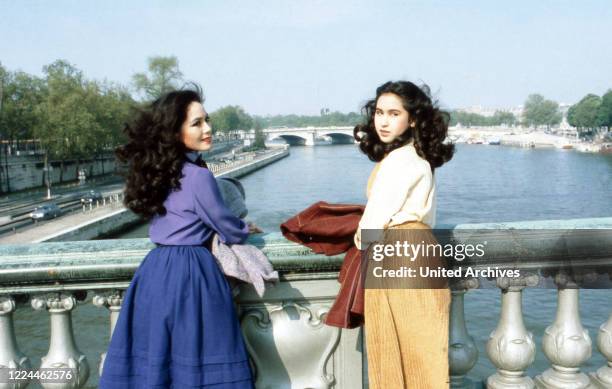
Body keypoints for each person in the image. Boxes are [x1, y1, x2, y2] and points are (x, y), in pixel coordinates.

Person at [99, 87, 256, 388]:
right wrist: (244, 227)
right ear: (175, 131)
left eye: (206, 120)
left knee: (156, 361)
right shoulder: (199, 176)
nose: (208, 128)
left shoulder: (157, 172)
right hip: (192, 273)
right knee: (198, 358)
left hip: (153, 273)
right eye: (197, 123)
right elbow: (227, 227)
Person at [353, 81, 454, 388]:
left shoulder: (398, 160)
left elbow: (369, 230)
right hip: (423, 251)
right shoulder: (421, 158)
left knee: (392, 355)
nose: (382, 121)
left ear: (412, 119)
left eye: (393, 113)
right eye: (380, 112)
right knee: (426, 355)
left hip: (395, 255)